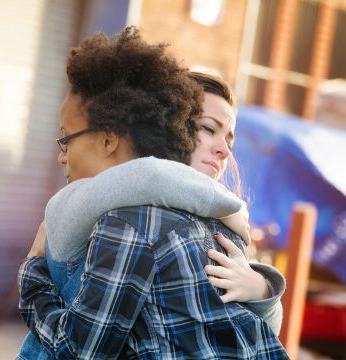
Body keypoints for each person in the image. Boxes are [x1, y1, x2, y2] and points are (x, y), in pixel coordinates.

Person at [18, 27, 288, 359]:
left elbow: (257, 332)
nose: (224, 151)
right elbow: (148, 174)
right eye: (207, 128)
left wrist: (260, 287)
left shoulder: (187, 221)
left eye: (229, 139)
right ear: (171, 123)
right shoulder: (161, 207)